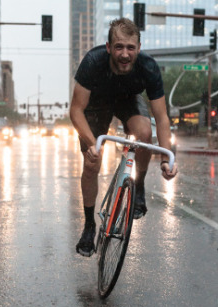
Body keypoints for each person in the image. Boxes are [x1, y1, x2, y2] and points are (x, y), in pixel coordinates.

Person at [70, 18, 178, 257]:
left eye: (130, 47)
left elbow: (161, 118)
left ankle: (137, 186)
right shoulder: (92, 62)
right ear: (108, 47)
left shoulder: (148, 67)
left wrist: (165, 158)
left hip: (128, 100)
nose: (125, 54)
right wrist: (90, 144)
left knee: (144, 133)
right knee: (91, 162)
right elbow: (76, 110)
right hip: (96, 104)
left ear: (139, 48)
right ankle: (89, 225)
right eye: (119, 47)